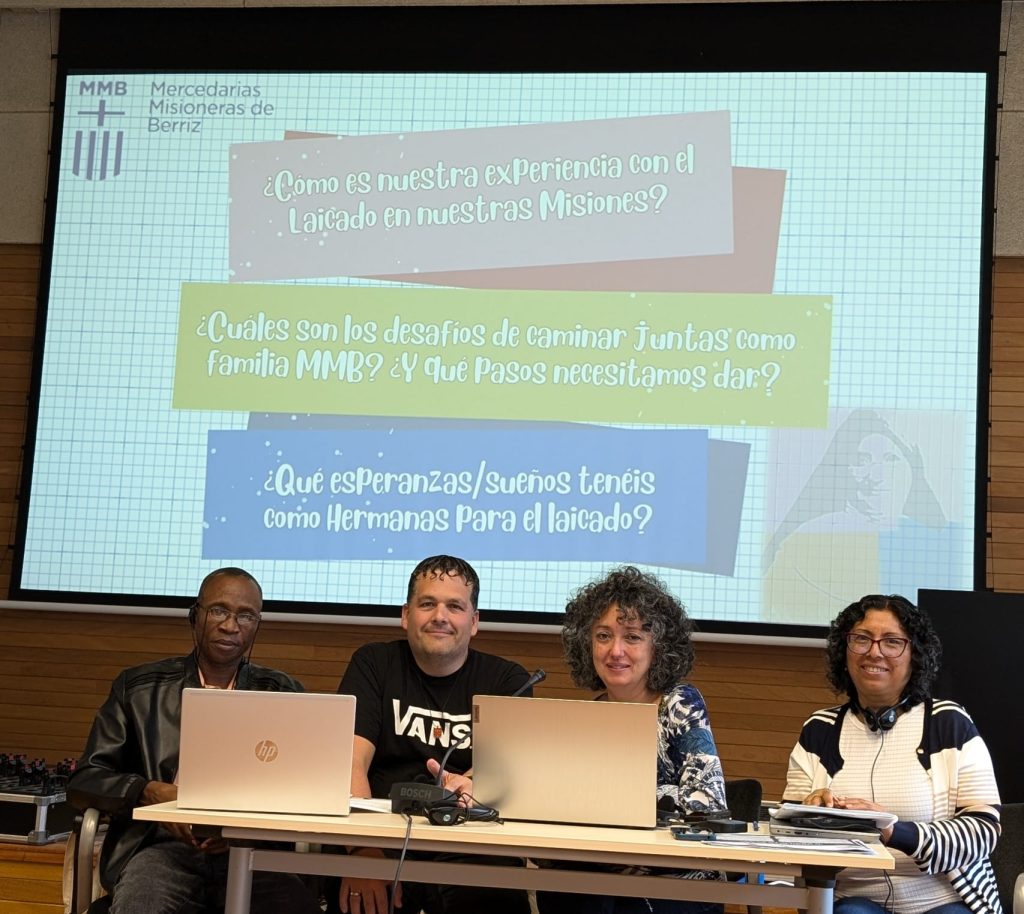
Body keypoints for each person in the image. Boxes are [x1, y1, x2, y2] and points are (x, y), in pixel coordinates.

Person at [66, 567, 320, 914]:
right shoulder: (138, 689)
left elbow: (307, 788)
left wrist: (245, 829)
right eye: (219, 611)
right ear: (194, 615)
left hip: (252, 852)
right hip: (160, 850)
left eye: (245, 616)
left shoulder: (282, 693)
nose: (230, 626)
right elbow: (85, 781)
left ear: (257, 625)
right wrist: (147, 792)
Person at [330, 554, 532, 914]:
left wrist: (471, 784)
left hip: (470, 839)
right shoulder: (374, 664)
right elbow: (349, 761)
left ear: (473, 622)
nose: (440, 616)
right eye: (427, 604)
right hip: (382, 833)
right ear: (406, 615)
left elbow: (503, 771)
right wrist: (362, 851)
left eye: (455, 606)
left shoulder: (507, 681)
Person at [784, 594, 1003, 914]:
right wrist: (810, 816)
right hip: (852, 898)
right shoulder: (819, 730)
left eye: (892, 641)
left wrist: (892, 829)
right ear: (844, 651)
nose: (874, 651)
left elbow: (983, 831)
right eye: (861, 639)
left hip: (943, 899)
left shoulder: (949, 723)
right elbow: (787, 839)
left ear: (915, 655)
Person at [535, 565, 728, 914]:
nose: (616, 651)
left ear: (658, 647)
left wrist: (607, 801)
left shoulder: (680, 704)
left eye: (633, 638)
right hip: (597, 874)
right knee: (560, 891)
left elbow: (707, 803)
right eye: (603, 636)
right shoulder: (586, 717)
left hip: (675, 882)